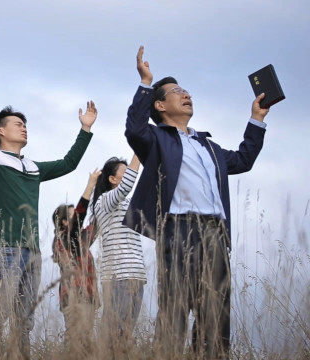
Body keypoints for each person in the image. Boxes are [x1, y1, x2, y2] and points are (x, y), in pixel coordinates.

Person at [123, 46, 269, 359]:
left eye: (187, 90)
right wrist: (145, 82)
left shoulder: (209, 146)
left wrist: (256, 119)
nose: (186, 94)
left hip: (216, 234)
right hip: (179, 231)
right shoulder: (157, 139)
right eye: (177, 91)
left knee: (216, 315)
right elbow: (134, 129)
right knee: (175, 310)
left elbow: (243, 159)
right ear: (160, 105)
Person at [0, 70, 97, 358]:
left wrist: (85, 130)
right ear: (1, 130)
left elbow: (68, 164)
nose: (24, 128)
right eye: (17, 124)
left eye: (25, 124)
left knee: (24, 322)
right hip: (6, 249)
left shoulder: (33, 167)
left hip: (33, 252)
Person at [90, 154, 146, 357]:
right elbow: (127, 186)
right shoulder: (105, 201)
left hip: (135, 276)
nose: (131, 174)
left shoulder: (127, 204)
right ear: (112, 179)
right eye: (125, 171)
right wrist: (139, 150)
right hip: (118, 277)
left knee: (124, 335)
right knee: (113, 332)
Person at [52, 168, 101, 357]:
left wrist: (103, 191)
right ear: (64, 222)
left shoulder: (80, 239)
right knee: (75, 340)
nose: (78, 220)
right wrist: (90, 186)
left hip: (87, 296)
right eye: (72, 216)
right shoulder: (64, 239)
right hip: (74, 296)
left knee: (86, 340)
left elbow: (97, 223)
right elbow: (82, 215)